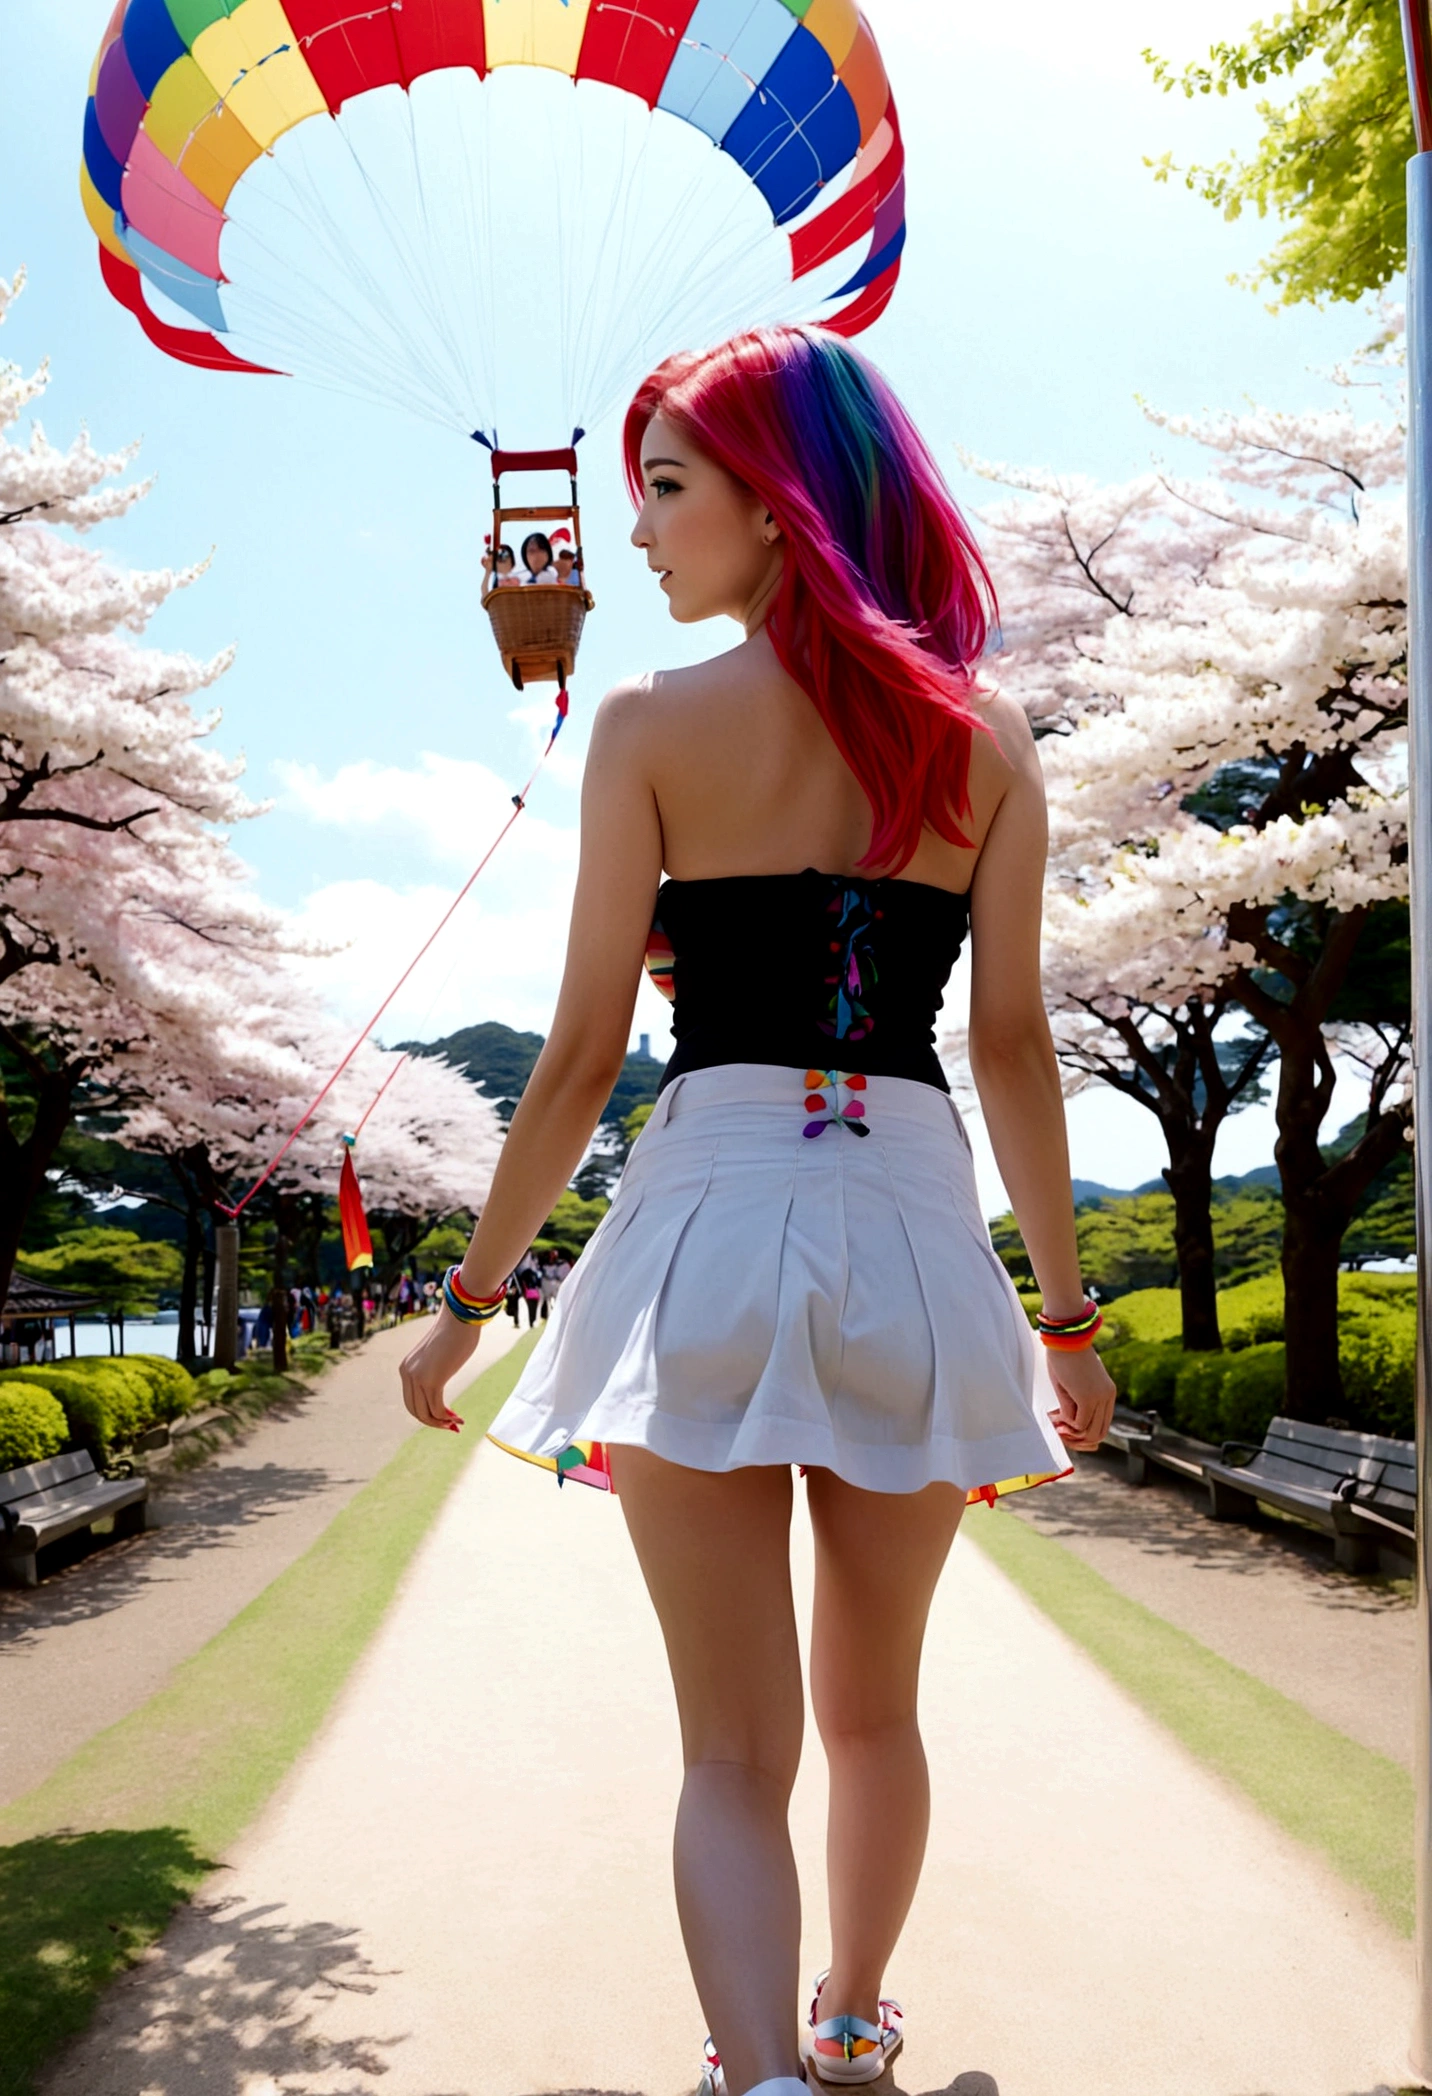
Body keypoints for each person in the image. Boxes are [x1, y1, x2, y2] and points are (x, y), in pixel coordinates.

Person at [400, 325, 1115, 2096]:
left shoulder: (647, 724)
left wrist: (469, 1304)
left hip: (708, 1212)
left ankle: (760, 2080)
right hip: (913, 1219)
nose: (638, 533)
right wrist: (1071, 1319)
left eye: (666, 487)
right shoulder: (992, 742)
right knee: (877, 1711)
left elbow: (575, 1065)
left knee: (733, 1752)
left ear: (779, 507)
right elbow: (1012, 1050)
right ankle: (857, 2024)